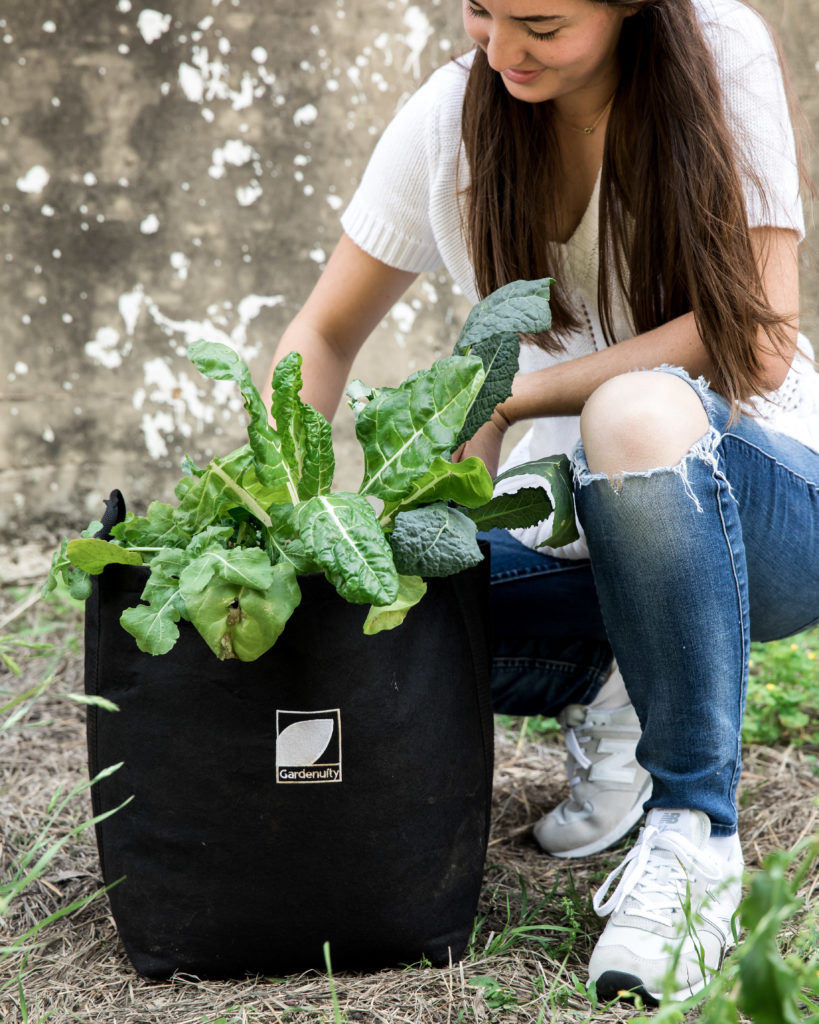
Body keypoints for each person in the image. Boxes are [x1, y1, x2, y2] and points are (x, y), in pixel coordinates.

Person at [266, 0, 819, 1005]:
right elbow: (325, 329)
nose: (501, 48)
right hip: (581, 545)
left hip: (764, 506)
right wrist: (287, 505)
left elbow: (762, 335)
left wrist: (516, 395)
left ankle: (695, 837)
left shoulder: (719, 48)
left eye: (541, 23)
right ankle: (621, 686)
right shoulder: (455, 115)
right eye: (479, 9)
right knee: (362, 612)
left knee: (634, 414)